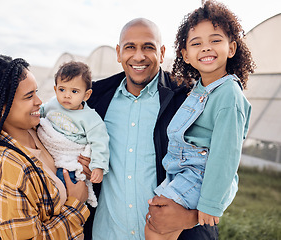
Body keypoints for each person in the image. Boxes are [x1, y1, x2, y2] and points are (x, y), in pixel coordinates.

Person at [81, 18, 219, 240]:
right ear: (118, 53)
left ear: (162, 53)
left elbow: (220, 167)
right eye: (130, 47)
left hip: (173, 235)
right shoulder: (94, 98)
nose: (138, 56)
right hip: (106, 233)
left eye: (148, 47)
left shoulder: (189, 99)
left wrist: (191, 217)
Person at [145, 1, 255, 239]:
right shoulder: (198, 89)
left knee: (158, 224)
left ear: (232, 48)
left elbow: (226, 154)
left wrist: (210, 204)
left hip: (201, 174)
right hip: (182, 171)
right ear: (185, 55)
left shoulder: (228, 94)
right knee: (156, 218)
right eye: (196, 43)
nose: (206, 48)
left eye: (215, 40)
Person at [0, 55, 90, 240]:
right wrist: (75, 205)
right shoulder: (7, 168)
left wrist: (80, 164)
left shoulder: (40, 131)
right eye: (29, 96)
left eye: (36, 92)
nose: (39, 101)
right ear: (0, 106)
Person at [38, 61, 109, 208]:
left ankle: (63, 210)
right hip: (50, 149)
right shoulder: (52, 104)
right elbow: (40, 114)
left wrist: (98, 166)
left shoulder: (90, 118)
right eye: (62, 89)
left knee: (64, 182)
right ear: (55, 89)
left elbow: (100, 143)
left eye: (74, 91)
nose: (67, 96)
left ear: (87, 95)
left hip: (70, 157)